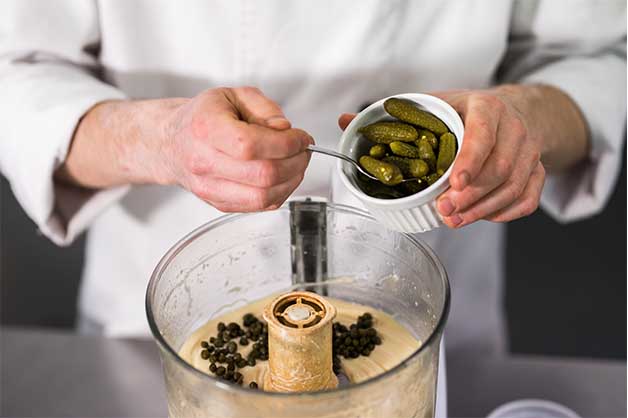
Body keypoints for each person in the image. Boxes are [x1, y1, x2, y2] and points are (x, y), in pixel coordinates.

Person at [1, 0, 624, 375]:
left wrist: (521, 123)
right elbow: (17, 73)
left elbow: (598, 57)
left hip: (426, 312)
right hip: (172, 328)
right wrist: (162, 138)